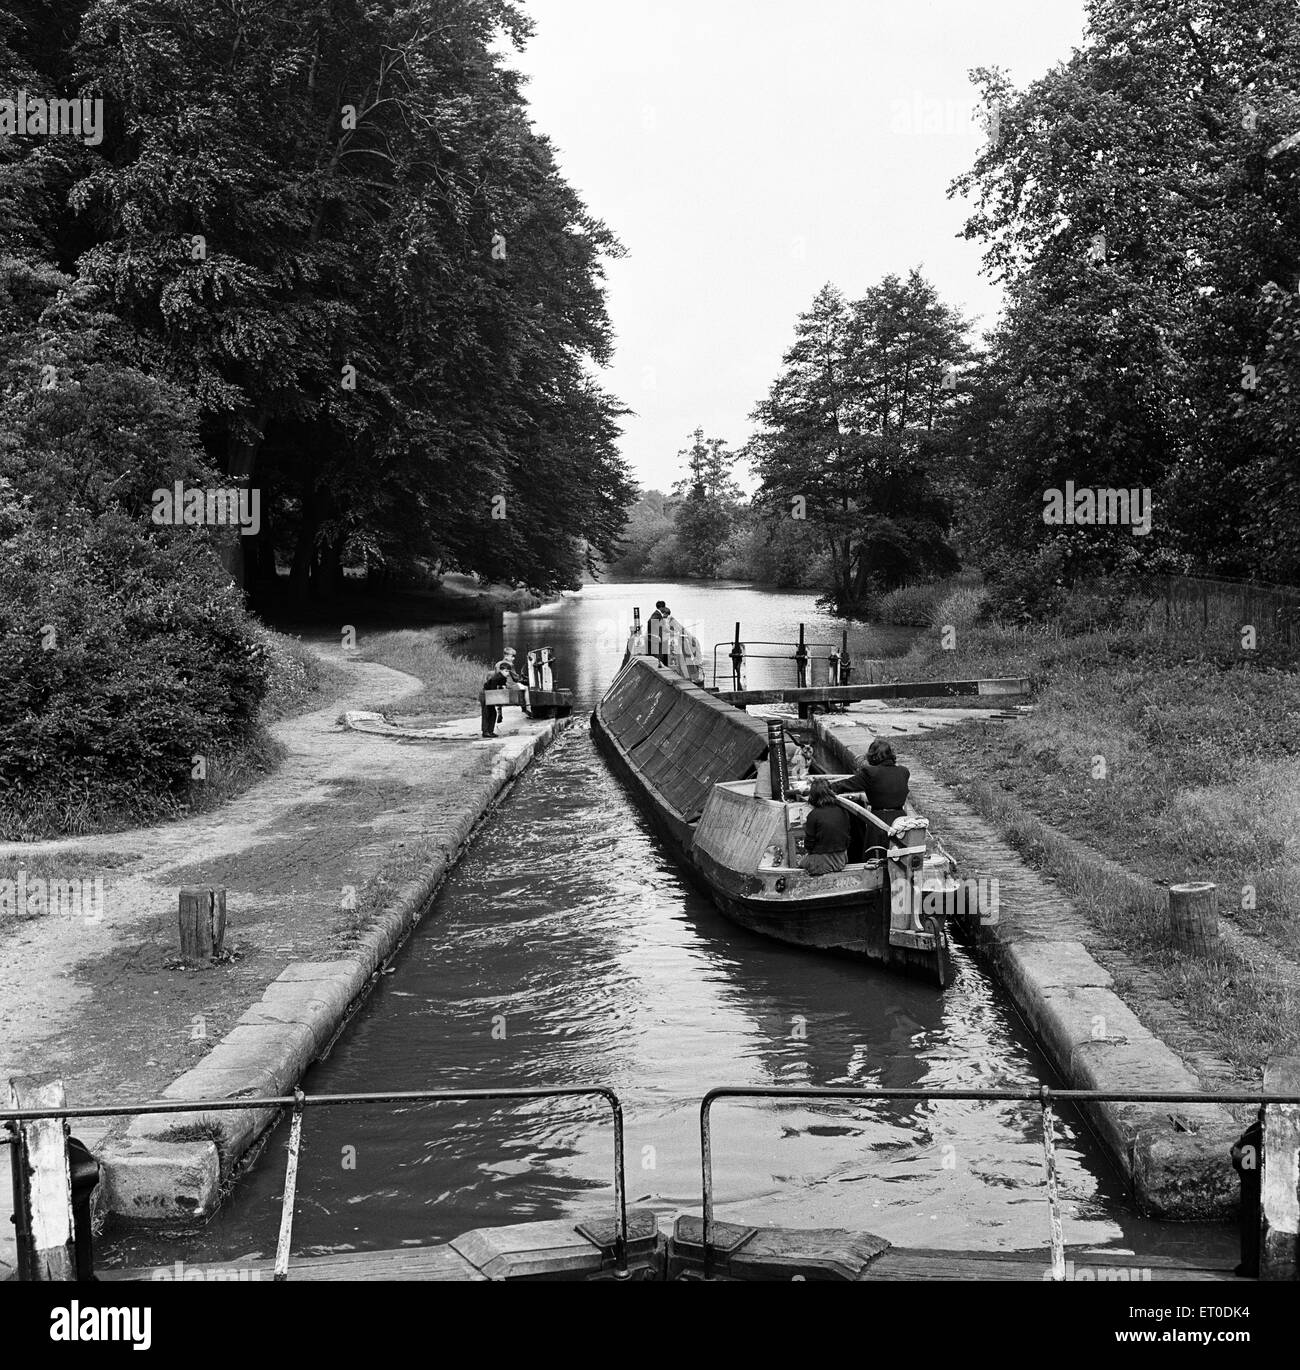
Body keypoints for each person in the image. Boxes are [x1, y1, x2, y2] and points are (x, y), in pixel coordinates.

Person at [832, 738, 910, 859]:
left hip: (879, 821)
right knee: (901, 856)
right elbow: (887, 789)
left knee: (875, 857)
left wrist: (825, 786)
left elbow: (846, 784)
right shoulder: (904, 772)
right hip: (901, 819)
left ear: (872, 757)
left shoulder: (870, 772)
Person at [799, 778, 850, 877]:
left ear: (813, 795)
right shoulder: (843, 811)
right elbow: (846, 836)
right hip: (841, 860)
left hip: (821, 863)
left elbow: (809, 844)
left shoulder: (813, 815)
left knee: (799, 863)